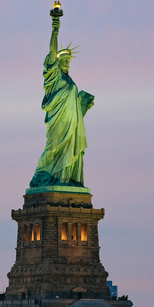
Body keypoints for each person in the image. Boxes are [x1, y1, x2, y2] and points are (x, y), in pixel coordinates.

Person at [30, 12, 94, 188]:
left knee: (69, 151)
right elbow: (52, 52)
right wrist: (55, 29)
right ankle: (42, 176)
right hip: (57, 122)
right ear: (56, 64)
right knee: (52, 149)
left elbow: (74, 111)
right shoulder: (54, 77)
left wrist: (83, 106)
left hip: (71, 125)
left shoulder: (71, 83)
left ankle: (64, 179)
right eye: (62, 60)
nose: (66, 62)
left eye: (68, 60)